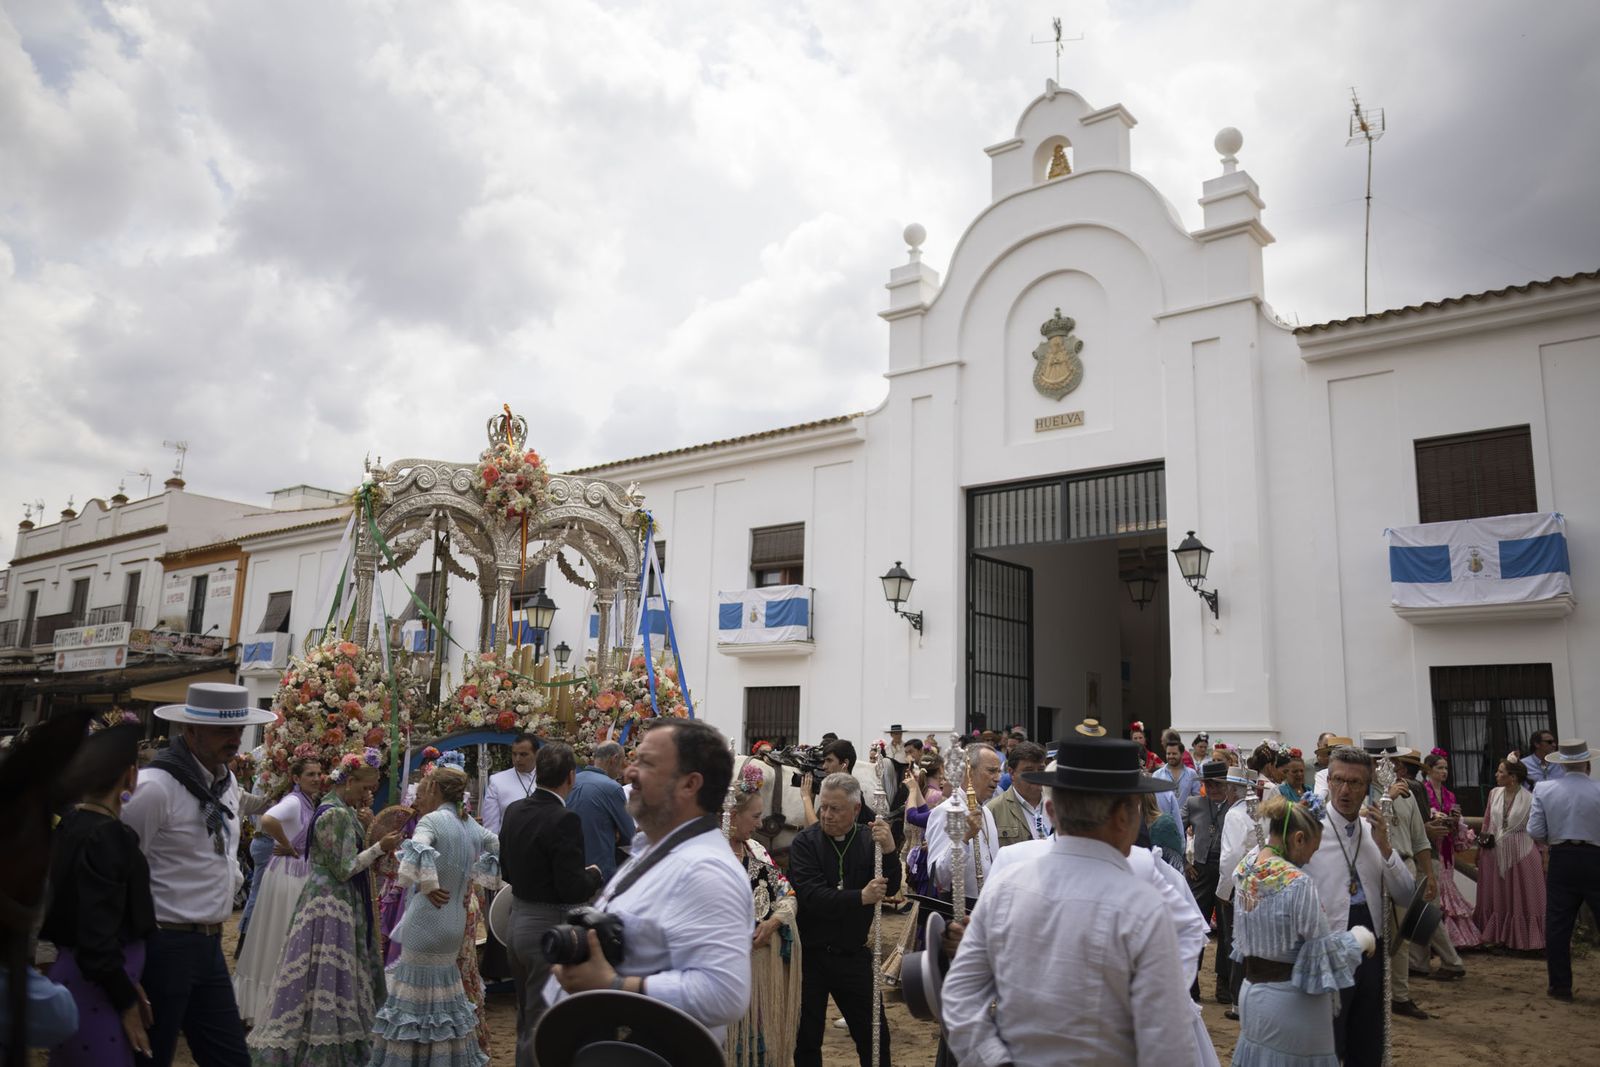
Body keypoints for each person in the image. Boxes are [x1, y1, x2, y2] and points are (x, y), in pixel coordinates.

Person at [942, 738, 1193, 1064]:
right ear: (1124, 816)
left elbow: (959, 995)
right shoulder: (1142, 907)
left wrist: (993, 1060)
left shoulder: (1006, 886)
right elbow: (1168, 1047)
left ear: (1050, 811)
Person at [547, 719, 753, 1042]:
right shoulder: (651, 851)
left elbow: (724, 993)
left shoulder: (706, 871)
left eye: (646, 763)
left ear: (690, 784)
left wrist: (616, 986)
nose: (629, 772)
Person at [121, 683, 277, 1067]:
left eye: (239, 730)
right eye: (225, 730)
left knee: (230, 1057)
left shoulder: (226, 783)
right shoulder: (156, 787)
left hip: (209, 944)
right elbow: (119, 870)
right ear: (191, 731)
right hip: (163, 943)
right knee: (150, 1056)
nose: (235, 739)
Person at [248, 749, 400, 1067]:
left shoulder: (342, 810)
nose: (368, 794)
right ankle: (322, 1047)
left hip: (342, 902)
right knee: (325, 976)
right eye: (364, 787)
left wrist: (369, 828)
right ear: (348, 782)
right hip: (330, 905)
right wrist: (377, 847)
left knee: (333, 977)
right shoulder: (333, 814)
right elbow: (345, 868)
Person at [369, 761, 501, 1066]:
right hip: (454, 924)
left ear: (436, 789)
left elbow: (417, 847)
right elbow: (494, 843)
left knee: (413, 1001)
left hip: (427, 920)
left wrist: (427, 882)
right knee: (445, 1000)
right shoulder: (469, 824)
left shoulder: (431, 821)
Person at [1231, 792, 1374, 1065]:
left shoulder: (1245, 869)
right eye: (1312, 849)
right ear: (1298, 838)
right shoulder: (1297, 882)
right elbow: (1324, 953)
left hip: (1251, 995)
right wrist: (1359, 938)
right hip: (1292, 1006)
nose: (1310, 858)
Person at [40, 723, 155, 1065]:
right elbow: (97, 936)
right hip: (99, 991)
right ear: (130, 777)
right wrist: (125, 1000)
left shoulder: (69, 826)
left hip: (79, 980)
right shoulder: (110, 837)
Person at [1303, 745, 1414, 1067]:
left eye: (1354, 783)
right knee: (1328, 1035)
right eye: (1338, 780)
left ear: (1368, 787)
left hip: (1371, 945)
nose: (1345, 790)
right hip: (1326, 942)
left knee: (1367, 1034)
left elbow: (1406, 895)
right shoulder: (1309, 829)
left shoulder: (1373, 831)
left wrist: (1385, 848)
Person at [499, 740, 603, 1067]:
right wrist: (595, 875)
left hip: (516, 921)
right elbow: (572, 888)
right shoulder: (564, 819)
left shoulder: (515, 810)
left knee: (527, 1017)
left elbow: (506, 868)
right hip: (548, 926)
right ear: (571, 777)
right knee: (545, 1021)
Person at [789, 772, 897, 1067]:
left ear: (856, 809)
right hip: (811, 956)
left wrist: (889, 851)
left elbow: (894, 886)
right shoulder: (805, 843)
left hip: (852, 956)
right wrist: (859, 897)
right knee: (806, 1039)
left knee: (875, 1036)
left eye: (835, 809)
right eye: (823, 806)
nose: (826, 815)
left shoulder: (868, 840)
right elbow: (812, 896)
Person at [232, 755, 324, 1024]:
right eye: (310, 774)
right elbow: (269, 819)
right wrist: (287, 843)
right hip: (287, 873)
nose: (317, 778)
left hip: (295, 871)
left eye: (319, 773)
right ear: (296, 778)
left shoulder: (308, 802)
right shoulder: (294, 801)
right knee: (282, 931)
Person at [724, 767, 802, 1067]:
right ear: (733, 815)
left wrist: (774, 922)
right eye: (754, 817)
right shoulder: (711, 854)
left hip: (760, 967)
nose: (760, 823)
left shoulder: (756, 850)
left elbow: (787, 894)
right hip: (726, 966)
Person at [1528, 738, 1600, 1002]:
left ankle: (1560, 986)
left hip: (1562, 856)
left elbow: (1535, 830)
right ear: (1587, 765)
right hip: (1595, 855)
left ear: (1563, 766)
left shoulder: (1544, 789)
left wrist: (1555, 839)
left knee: (1558, 924)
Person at [1473, 758, 1545, 950]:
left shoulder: (1531, 798)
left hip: (1523, 851)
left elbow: (1538, 828)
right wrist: (1480, 849)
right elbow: (1488, 822)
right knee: (1497, 895)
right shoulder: (1494, 794)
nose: (1496, 775)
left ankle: (1527, 939)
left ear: (1512, 777)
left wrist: (1544, 855)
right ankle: (1497, 937)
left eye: (1500, 772)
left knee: (1524, 896)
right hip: (1494, 852)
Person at [1184, 760, 1236, 1003]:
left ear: (1227, 784)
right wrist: (1185, 863)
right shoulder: (1194, 803)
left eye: (1218, 784)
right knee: (1197, 927)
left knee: (1227, 932)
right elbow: (1174, 830)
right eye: (1208, 784)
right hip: (1201, 871)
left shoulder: (1235, 806)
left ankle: (1224, 985)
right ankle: (1190, 983)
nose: (1214, 788)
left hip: (1226, 871)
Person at [1421, 749, 1481, 956]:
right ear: (1429, 770)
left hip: (1446, 844)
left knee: (1446, 884)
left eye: (1446, 768)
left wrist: (1455, 819)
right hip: (1429, 843)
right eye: (1440, 768)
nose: (1444, 772)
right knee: (1435, 887)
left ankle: (1451, 938)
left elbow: (1457, 821)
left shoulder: (1449, 794)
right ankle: (1437, 939)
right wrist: (1434, 816)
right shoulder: (1423, 791)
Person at [924, 743, 1001, 903]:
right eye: (991, 770)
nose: (998, 777)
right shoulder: (946, 812)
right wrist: (964, 839)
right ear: (969, 772)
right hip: (959, 907)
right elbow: (938, 877)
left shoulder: (986, 812)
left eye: (999, 771)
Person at [566, 741, 636, 881]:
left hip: (568, 864)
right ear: (614, 759)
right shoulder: (612, 788)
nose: (622, 770)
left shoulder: (572, 780)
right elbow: (629, 835)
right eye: (622, 762)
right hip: (598, 869)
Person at [986, 740, 1048, 848]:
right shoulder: (993, 810)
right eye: (1029, 771)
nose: (1036, 775)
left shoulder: (1059, 805)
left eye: (1041, 769)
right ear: (1011, 773)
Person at [480, 733, 539, 835]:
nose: (517, 759)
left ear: (537, 754)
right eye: (514, 754)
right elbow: (491, 827)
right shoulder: (497, 781)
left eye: (523, 754)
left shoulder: (549, 777)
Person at [1154, 733, 1199, 826]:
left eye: (1174, 754)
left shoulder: (1192, 774)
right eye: (1168, 753)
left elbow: (1197, 799)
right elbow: (1152, 801)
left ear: (1182, 754)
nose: (1170, 756)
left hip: (1186, 823)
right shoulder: (1157, 775)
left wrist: (1193, 821)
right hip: (1162, 823)